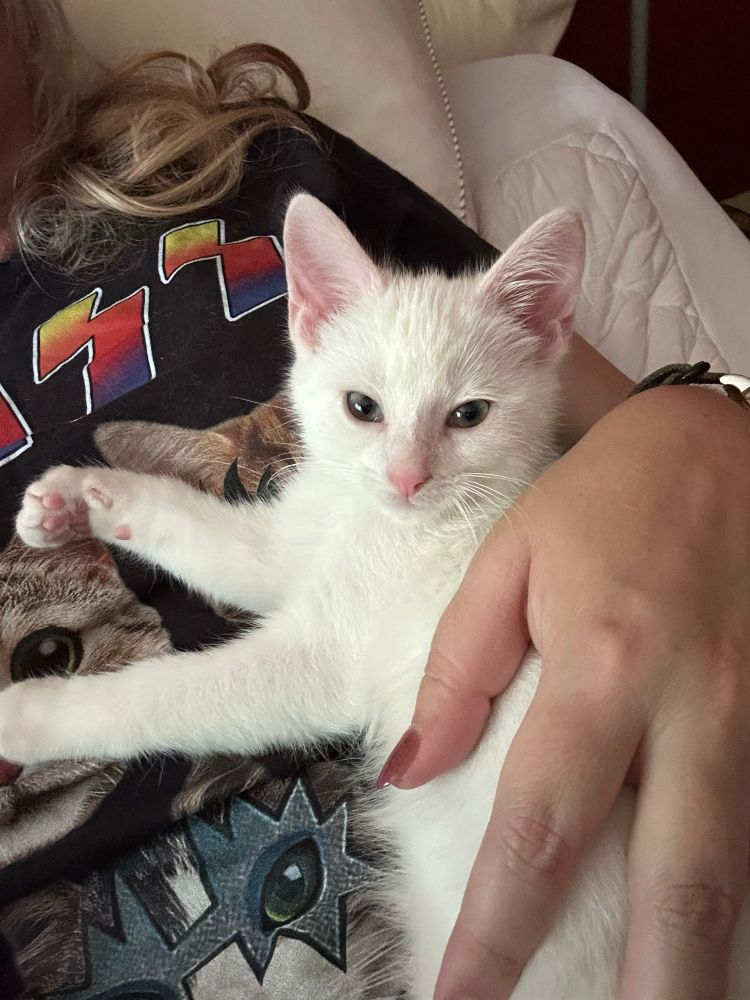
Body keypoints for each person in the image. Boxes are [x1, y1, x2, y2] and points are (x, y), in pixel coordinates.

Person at [1, 2, 750, 998]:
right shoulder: (356, 473)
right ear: (314, 330)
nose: (407, 473)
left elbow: (312, 660)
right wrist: (122, 509)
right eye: (364, 412)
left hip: (569, 862)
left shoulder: (253, 168)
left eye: (463, 420)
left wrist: (712, 420)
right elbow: (272, 561)